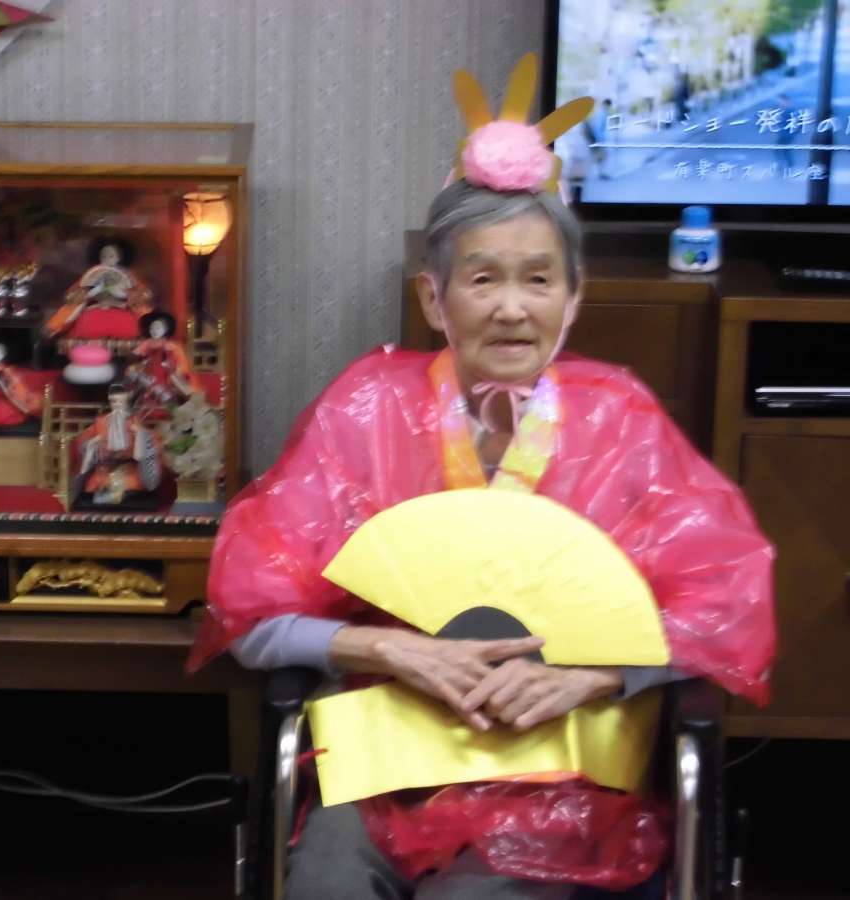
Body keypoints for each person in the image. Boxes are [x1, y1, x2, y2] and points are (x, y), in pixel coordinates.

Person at [189, 69, 775, 899]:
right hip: (389, 756)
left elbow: (721, 605)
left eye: (538, 279)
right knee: (325, 882)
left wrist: (594, 674)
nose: (511, 308)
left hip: (563, 767)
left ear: (573, 299)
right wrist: (387, 648)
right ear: (434, 299)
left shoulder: (620, 421)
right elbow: (252, 619)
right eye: (482, 278)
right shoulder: (365, 410)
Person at [73, 384, 162, 507]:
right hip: (103, 473)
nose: (118, 405)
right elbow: (83, 444)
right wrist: (93, 445)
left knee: (133, 492)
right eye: (114, 401)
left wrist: (141, 437)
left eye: (121, 401)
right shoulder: (100, 422)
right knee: (92, 493)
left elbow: (148, 447)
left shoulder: (135, 422)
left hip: (129, 474)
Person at [124, 311, 202, 420]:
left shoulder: (172, 346)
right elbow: (134, 357)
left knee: (169, 393)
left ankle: (174, 410)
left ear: (166, 329)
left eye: (158, 328)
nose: (154, 331)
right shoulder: (146, 344)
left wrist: (173, 370)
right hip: (149, 375)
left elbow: (181, 365)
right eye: (152, 328)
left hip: (167, 376)